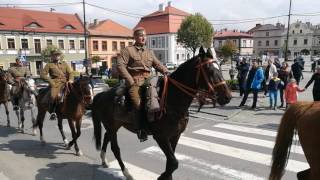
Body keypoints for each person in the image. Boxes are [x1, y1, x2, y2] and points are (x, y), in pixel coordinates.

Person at [117, 27, 169, 142]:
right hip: (134, 81)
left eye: (145, 35)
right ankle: (140, 129)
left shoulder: (149, 51)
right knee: (138, 104)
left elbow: (157, 64)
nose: (143, 37)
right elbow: (120, 66)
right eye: (140, 35)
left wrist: (166, 71)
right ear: (135, 37)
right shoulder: (127, 50)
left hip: (149, 80)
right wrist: (130, 80)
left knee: (162, 98)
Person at [40, 49, 73, 120]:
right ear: (52, 56)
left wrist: (70, 80)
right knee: (54, 95)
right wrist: (51, 81)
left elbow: (70, 73)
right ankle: (53, 112)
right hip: (56, 83)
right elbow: (43, 75)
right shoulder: (49, 65)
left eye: (58, 54)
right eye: (55, 55)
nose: (57, 56)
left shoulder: (65, 64)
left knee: (77, 92)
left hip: (66, 82)